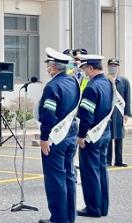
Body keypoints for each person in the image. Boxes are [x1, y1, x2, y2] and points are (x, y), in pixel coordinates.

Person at [38, 48, 80, 223]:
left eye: (49, 65)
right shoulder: (73, 82)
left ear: (54, 67)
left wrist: (44, 137)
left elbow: (48, 114)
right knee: (69, 175)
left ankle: (59, 218)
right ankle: (70, 216)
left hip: (56, 137)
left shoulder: (52, 86)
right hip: (71, 134)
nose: (47, 68)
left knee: (55, 178)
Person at [76, 54, 113, 218]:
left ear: (91, 68)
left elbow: (86, 115)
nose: (84, 72)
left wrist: (81, 135)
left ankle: (93, 208)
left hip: (91, 135)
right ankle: (103, 207)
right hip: (105, 133)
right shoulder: (108, 83)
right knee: (101, 170)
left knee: (89, 172)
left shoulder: (91, 87)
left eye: (84, 69)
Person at [107, 58, 131, 167]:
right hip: (108, 112)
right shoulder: (104, 80)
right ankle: (107, 160)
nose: (113, 67)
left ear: (118, 67)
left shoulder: (124, 81)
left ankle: (119, 160)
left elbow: (127, 98)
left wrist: (126, 114)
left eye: (115, 65)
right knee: (108, 136)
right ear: (107, 66)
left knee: (119, 136)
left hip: (119, 113)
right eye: (111, 65)